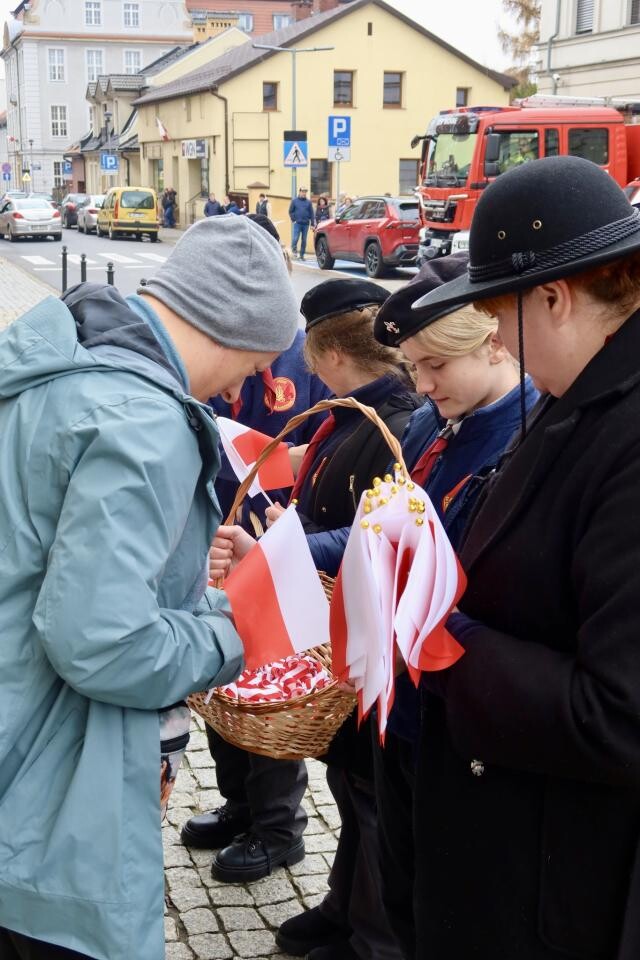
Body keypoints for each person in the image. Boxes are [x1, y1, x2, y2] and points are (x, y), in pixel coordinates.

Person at [0, 215, 300, 960]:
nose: (243, 389)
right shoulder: (144, 422)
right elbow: (101, 642)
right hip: (50, 799)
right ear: (233, 330)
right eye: (254, 368)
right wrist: (227, 634)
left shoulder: (52, 368)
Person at [406, 154, 640, 959]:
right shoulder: (586, 394)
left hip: (554, 882)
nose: (496, 336)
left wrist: (449, 644)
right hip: (512, 844)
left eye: (496, 311)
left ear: (553, 296)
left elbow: (618, 718)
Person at [213, 278, 422, 959]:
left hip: (370, 633)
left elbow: (380, 533)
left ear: (329, 353)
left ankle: (374, 937)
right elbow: (324, 510)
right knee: (350, 779)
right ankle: (343, 906)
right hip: (336, 627)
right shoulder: (349, 417)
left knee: (371, 795)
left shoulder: (396, 421)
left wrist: (288, 545)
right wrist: (288, 529)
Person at [370, 255, 538, 960]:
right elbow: (386, 530)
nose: (423, 384)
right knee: (401, 882)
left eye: (437, 363)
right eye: (413, 367)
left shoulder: (528, 439)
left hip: (461, 718)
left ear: (495, 340)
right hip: (401, 705)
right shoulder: (428, 425)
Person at [180, 214, 333, 884]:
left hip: (272, 539)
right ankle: (239, 804)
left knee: (268, 681)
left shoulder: (303, 354)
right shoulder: (209, 344)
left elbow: (323, 445)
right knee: (221, 684)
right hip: (215, 530)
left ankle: (280, 827)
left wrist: (286, 465)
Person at [289, 186, 315, 260]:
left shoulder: (308, 202)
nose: (304, 193)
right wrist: (294, 219)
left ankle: (302, 255)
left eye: (305, 192)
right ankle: (294, 252)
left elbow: (312, 213)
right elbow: (290, 211)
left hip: (306, 224)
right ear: (299, 192)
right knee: (295, 238)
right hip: (297, 223)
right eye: (303, 191)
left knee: (304, 240)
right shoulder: (294, 201)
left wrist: (312, 224)